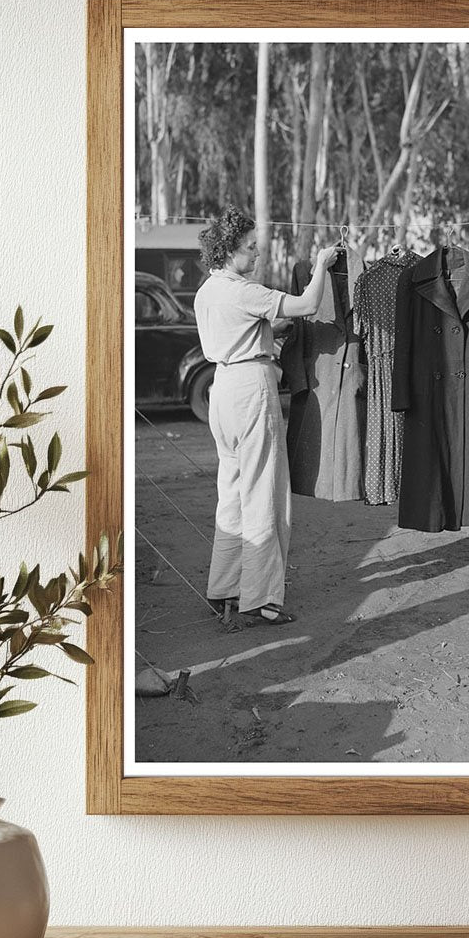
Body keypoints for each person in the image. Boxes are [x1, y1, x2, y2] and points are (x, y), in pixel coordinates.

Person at [194, 208, 338, 630]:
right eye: (250, 248)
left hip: (222, 389)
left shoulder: (207, 292)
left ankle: (224, 589)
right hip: (251, 390)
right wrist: (322, 265)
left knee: (233, 492)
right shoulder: (244, 290)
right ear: (229, 250)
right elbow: (308, 303)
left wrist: (270, 333)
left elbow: (239, 330)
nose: (256, 255)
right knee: (266, 495)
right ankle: (261, 600)